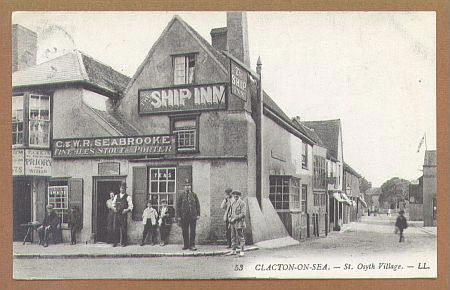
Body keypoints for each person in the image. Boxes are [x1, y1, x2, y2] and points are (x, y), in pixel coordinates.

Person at [176, 178, 200, 251]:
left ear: (190, 187)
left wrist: (198, 214)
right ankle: (186, 245)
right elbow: (178, 206)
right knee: (185, 231)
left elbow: (197, 205)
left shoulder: (194, 195)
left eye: (188, 185)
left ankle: (192, 245)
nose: (187, 187)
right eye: (186, 185)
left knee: (193, 231)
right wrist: (179, 216)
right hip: (184, 216)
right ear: (184, 187)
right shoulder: (181, 196)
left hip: (193, 216)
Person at [112, 181, 133, 247]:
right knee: (115, 228)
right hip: (116, 214)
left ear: (125, 189)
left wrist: (126, 210)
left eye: (123, 188)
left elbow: (131, 206)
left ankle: (123, 243)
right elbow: (113, 204)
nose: (122, 189)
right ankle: (115, 242)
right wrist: (114, 208)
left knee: (123, 228)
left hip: (123, 214)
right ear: (119, 188)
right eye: (121, 188)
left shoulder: (128, 197)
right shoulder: (116, 196)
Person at [226, 190, 247, 257]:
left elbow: (243, 214)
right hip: (232, 223)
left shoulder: (242, 203)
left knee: (240, 237)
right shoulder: (232, 203)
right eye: (234, 195)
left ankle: (242, 251)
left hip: (239, 223)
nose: (235, 196)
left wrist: (235, 218)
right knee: (233, 237)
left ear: (239, 196)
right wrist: (229, 218)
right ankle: (233, 250)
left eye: (237, 195)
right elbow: (230, 212)